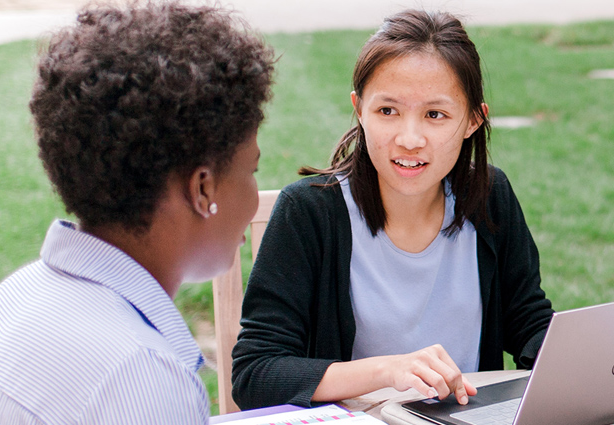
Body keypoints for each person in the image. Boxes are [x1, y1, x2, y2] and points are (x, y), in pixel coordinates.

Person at [0, 3, 275, 423]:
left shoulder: (16, 297)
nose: (254, 193)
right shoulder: (140, 376)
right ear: (202, 189)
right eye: (251, 170)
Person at [228, 9, 555, 410]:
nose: (410, 138)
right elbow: (256, 373)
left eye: (435, 115)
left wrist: (592, 364)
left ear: (473, 120)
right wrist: (388, 370)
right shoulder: (310, 213)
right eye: (387, 111)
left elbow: (529, 323)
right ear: (360, 108)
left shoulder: (488, 194)